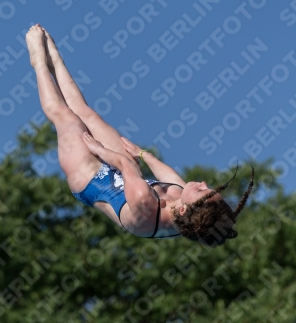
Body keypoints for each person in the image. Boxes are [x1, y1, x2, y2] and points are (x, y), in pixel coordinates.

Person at [25, 24, 254, 246]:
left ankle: (38, 63)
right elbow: (174, 182)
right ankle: (55, 61)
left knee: (67, 118)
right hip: (128, 175)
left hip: (91, 179)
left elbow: (124, 165)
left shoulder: (146, 208)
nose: (203, 183)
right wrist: (144, 154)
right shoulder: (188, 209)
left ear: (183, 210)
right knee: (89, 115)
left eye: (203, 189)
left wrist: (99, 150)